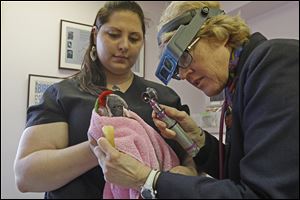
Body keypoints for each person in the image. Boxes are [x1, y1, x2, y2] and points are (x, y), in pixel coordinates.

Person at [92, 1, 299, 199]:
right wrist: (197, 139)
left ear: (219, 34)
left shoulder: (274, 62)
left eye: (183, 56)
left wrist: (145, 178)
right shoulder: (236, 86)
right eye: (176, 69)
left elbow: (263, 194)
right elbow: (237, 172)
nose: (183, 75)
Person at [14, 1, 190, 199]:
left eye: (134, 38)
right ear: (95, 34)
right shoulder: (62, 95)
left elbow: (190, 159)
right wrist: (102, 146)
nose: (124, 45)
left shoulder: (165, 98)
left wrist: (187, 175)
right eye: (114, 35)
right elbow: (25, 176)